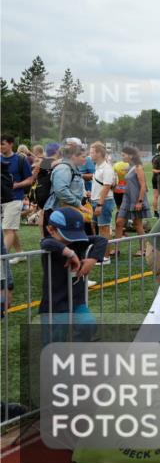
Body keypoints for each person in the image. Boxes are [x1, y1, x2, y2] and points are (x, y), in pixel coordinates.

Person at [39, 207, 105, 339]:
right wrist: (69, 252)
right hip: (55, 303)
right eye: (67, 234)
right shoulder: (50, 244)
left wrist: (92, 260)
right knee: (55, 339)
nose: (72, 240)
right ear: (51, 230)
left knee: (88, 324)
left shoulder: (78, 241)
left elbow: (101, 240)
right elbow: (46, 242)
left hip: (76, 299)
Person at [1, 135, 35, 263]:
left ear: (11, 144)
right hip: (2, 199)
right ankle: (20, 253)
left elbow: (30, 179)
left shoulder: (20, 160)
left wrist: (17, 185)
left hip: (15, 198)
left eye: (2, 144)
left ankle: (1, 259)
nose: (0, 146)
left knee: (8, 230)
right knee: (9, 228)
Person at [44, 141, 90, 231]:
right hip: (58, 211)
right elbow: (61, 190)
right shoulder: (64, 168)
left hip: (66, 210)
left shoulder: (73, 168)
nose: (86, 159)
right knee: (60, 242)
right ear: (73, 156)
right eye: (83, 156)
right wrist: (78, 204)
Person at [113, 146, 149, 254]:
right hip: (126, 199)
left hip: (136, 199)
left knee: (137, 224)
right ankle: (116, 249)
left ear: (131, 155)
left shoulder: (138, 167)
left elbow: (143, 186)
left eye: (123, 155)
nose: (122, 157)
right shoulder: (130, 167)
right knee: (119, 223)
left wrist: (140, 202)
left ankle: (143, 249)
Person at [90, 142, 116, 245]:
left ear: (99, 153)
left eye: (92, 152)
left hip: (103, 202)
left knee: (104, 228)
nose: (90, 154)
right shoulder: (98, 166)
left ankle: (105, 256)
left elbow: (106, 187)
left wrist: (100, 205)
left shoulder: (107, 168)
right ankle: (100, 252)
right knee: (96, 227)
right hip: (96, 201)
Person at [151, 143, 160, 218]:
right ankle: (157, 212)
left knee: (157, 196)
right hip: (158, 178)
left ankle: (157, 212)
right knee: (158, 196)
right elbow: (153, 170)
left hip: (159, 178)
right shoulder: (157, 158)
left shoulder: (157, 157)